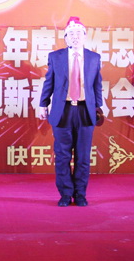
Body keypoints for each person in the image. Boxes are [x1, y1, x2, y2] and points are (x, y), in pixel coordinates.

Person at [39, 17, 103, 207]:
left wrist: (98, 107)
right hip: (63, 110)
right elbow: (49, 82)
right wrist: (43, 104)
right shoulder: (56, 57)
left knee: (83, 157)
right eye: (71, 34)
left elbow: (97, 85)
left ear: (85, 36)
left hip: (85, 111)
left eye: (79, 33)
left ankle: (80, 194)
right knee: (63, 155)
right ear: (66, 37)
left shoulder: (94, 58)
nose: (75, 37)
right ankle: (66, 194)